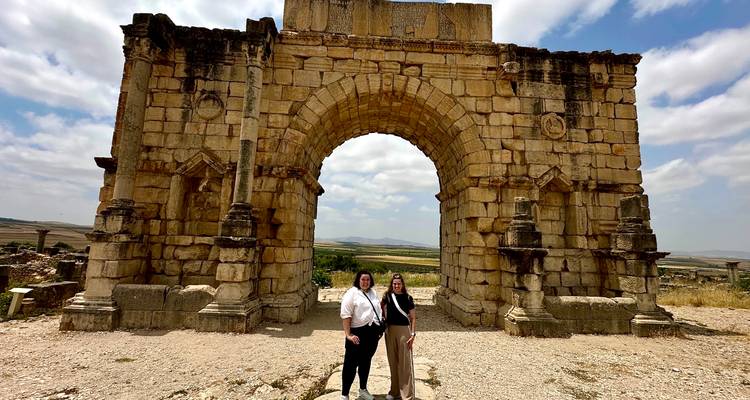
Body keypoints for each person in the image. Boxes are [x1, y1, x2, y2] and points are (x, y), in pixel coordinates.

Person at [340, 270, 384, 400]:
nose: (365, 282)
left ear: (371, 281)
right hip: (357, 333)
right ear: (358, 280)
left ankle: (363, 389)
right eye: (363, 279)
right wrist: (348, 335)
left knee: (366, 362)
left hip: (372, 334)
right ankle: (344, 394)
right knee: (350, 364)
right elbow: (346, 314)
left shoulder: (373, 293)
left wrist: (378, 329)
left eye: (368, 280)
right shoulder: (351, 293)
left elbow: (378, 310)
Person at [381, 273, 416, 400]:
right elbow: (380, 308)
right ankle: (394, 391)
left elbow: (412, 318)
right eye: (394, 283)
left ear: (402, 285)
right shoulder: (387, 296)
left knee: (404, 362)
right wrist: (383, 319)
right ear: (392, 284)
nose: (396, 285)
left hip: (403, 331)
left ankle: (406, 394)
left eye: (399, 283)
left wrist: (412, 334)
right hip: (390, 330)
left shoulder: (408, 298)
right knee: (393, 361)